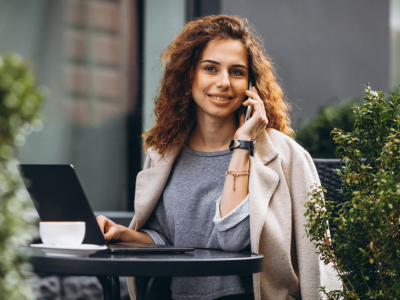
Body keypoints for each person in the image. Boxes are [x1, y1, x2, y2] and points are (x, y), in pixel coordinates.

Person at [96, 15, 341, 300]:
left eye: (237, 72)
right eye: (210, 68)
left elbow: (234, 239)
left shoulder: (285, 156)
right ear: (189, 76)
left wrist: (243, 144)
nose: (223, 82)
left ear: (252, 84)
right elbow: (167, 240)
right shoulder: (165, 153)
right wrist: (121, 234)